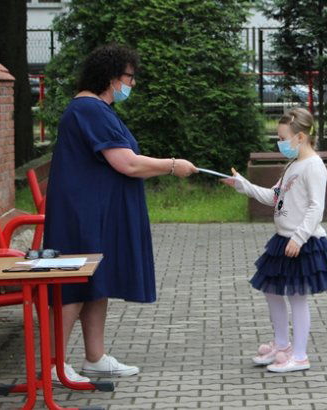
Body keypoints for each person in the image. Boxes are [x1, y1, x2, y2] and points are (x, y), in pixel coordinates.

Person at [44, 44, 198, 382]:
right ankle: (53, 364)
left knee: (96, 284)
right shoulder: (89, 110)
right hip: (83, 215)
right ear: (112, 77)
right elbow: (126, 163)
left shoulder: (96, 109)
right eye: (129, 77)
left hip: (95, 212)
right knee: (74, 286)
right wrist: (172, 165)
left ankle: (94, 357)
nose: (132, 83)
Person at [223, 108, 327, 373]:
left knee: (297, 297)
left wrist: (299, 237)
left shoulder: (314, 166)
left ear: (301, 137)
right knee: (272, 290)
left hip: (302, 243)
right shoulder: (293, 164)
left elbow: (316, 208)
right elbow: (275, 197)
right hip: (283, 240)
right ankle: (281, 346)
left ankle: (299, 355)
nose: (280, 143)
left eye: (283, 138)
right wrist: (242, 185)